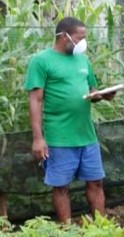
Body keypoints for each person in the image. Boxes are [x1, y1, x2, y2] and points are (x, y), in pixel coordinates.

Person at [24, 17, 117, 223]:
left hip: (87, 135)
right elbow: (35, 101)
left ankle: (101, 230)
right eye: (79, 38)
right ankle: (67, 232)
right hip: (60, 136)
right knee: (61, 186)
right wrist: (38, 139)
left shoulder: (83, 61)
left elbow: (92, 90)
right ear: (63, 36)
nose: (82, 42)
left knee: (96, 183)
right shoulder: (41, 61)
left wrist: (102, 95)